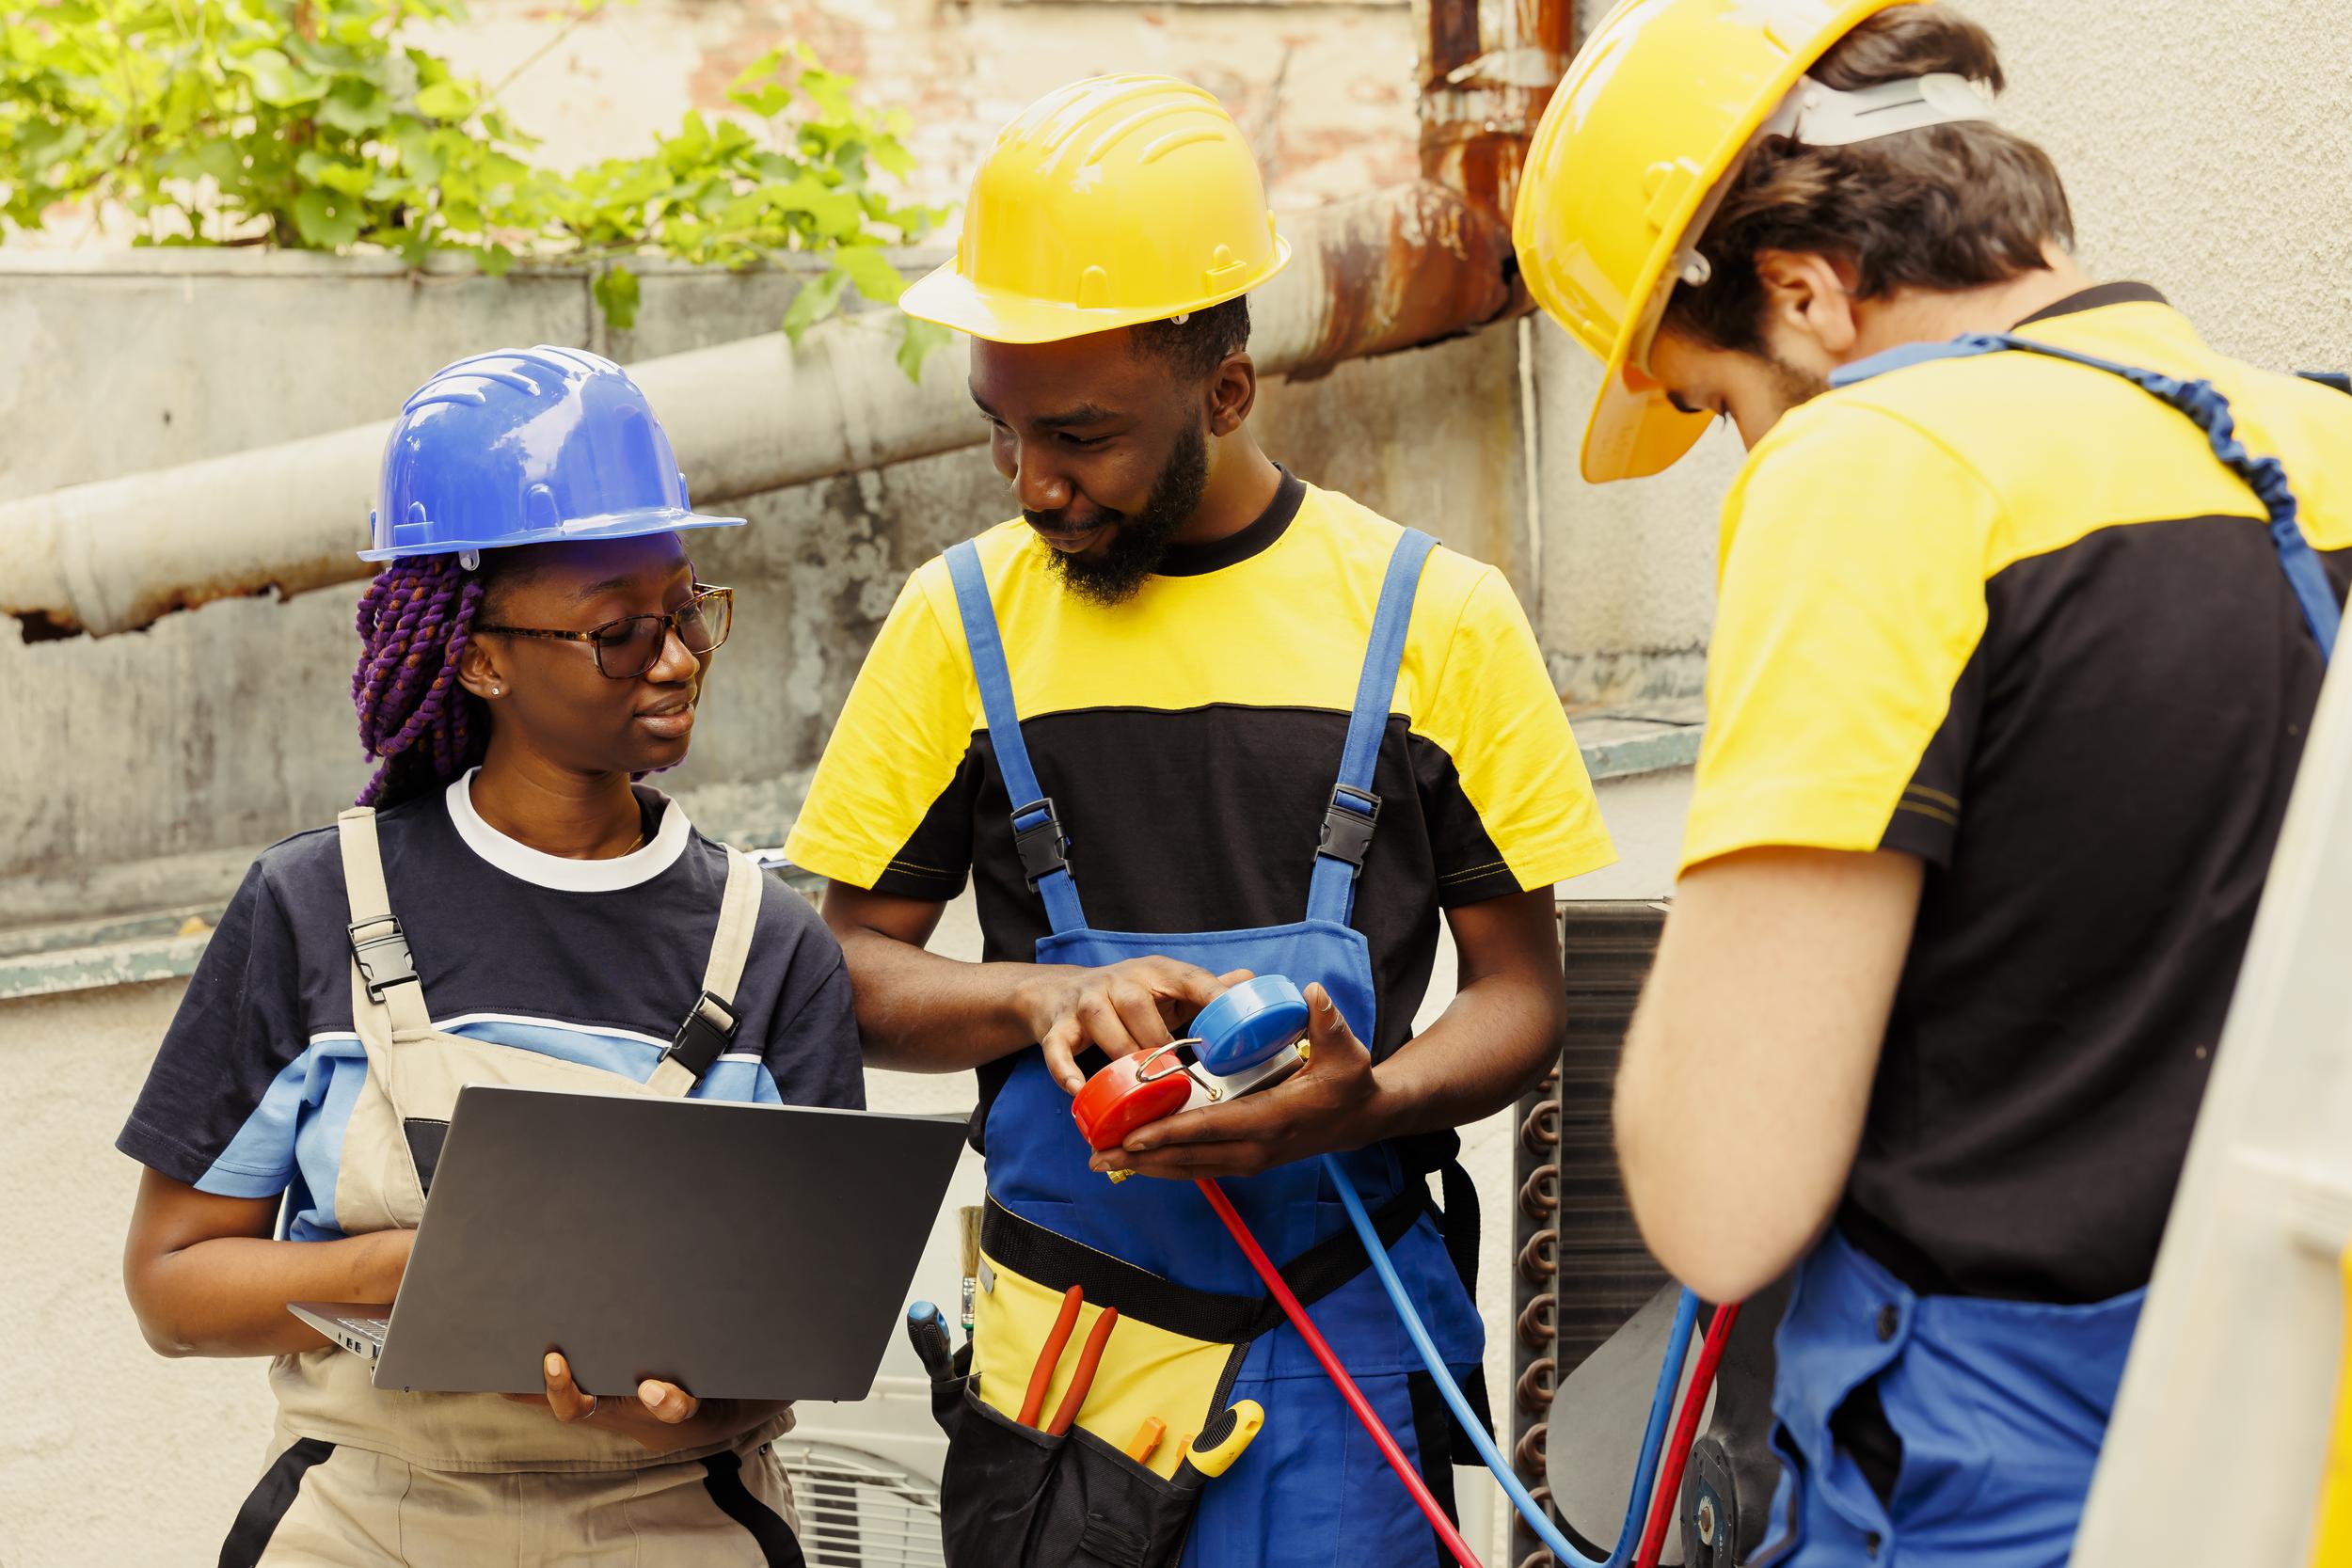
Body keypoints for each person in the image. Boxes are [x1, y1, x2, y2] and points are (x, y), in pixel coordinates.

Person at [1512, 2, 2352, 1563]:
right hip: (2300, 1444)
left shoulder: (1882, 468)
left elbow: (1720, 1198)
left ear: (1805, 294)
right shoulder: (2323, 440)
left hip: (2007, 1482)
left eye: (1713, 400)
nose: (1739, 448)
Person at [783, 73, 1616, 1565]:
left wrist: (1370, 1102)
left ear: (1229, 390)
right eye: (1003, 430)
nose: (1035, 485)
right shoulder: (952, 625)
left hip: (1348, 1341)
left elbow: (1525, 997)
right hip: (1060, 1377)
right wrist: (1048, 990)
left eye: (1084, 436)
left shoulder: (1440, 621)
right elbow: (839, 980)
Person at [119, 346, 859, 1567]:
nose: (675, 658)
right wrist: (422, 1274)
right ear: (477, 655)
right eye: (619, 629)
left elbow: (813, 1327)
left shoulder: (771, 944)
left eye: (686, 609)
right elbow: (171, 1288)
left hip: (678, 1519)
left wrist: (678, 1396)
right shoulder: (313, 910)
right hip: (369, 1521)